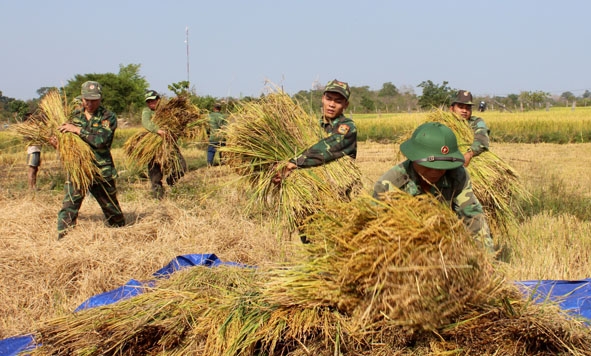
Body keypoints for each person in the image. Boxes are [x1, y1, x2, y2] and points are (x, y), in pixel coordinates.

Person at [372, 122, 493, 253]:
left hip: (443, 245)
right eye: (430, 165)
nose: (436, 171)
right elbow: (373, 230)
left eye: (444, 165)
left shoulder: (457, 175)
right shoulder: (389, 184)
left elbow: (472, 216)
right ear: (414, 158)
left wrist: (486, 257)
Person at [55, 81, 125, 240]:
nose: (90, 103)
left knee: (111, 209)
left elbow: (102, 140)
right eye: (87, 100)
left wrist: (78, 130)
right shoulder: (73, 116)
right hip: (78, 169)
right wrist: (58, 144)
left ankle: (120, 233)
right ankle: (63, 239)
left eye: (94, 100)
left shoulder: (108, 117)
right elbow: (67, 143)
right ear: (82, 98)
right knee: (69, 206)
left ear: (100, 98)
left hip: (101, 169)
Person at [272, 79, 357, 183]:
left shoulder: (348, 127)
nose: (332, 104)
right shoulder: (312, 127)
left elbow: (327, 147)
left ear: (346, 105)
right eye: (328, 99)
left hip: (336, 189)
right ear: (323, 99)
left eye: (338, 101)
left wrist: (294, 163)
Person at [141, 89, 186, 199]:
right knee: (155, 174)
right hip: (154, 147)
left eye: (153, 100)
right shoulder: (147, 112)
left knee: (181, 167)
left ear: (158, 100)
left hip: (169, 144)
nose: (151, 103)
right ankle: (158, 197)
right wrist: (158, 130)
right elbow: (146, 122)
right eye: (149, 102)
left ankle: (171, 180)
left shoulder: (166, 111)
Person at [449, 90, 490, 167]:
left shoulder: (476, 122)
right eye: (461, 107)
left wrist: (469, 154)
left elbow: (482, 139)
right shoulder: (444, 123)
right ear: (451, 109)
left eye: (468, 108)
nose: (464, 111)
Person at [24, 113, 42, 190]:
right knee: (31, 169)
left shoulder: (35, 127)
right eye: (32, 117)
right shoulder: (27, 129)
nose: (34, 118)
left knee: (35, 169)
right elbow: (28, 139)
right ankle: (30, 187)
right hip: (32, 150)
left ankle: (34, 186)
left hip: (37, 150)